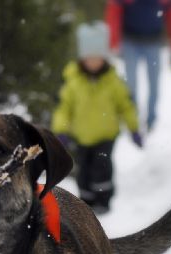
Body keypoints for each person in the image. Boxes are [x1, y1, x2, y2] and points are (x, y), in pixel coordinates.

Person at [52, 22, 142, 215]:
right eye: (89, 58)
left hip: (105, 136)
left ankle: (103, 200)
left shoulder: (113, 81)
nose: (93, 62)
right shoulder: (73, 81)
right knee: (83, 172)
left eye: (97, 58)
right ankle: (86, 201)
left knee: (101, 169)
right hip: (81, 136)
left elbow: (126, 106)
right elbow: (64, 108)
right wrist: (61, 130)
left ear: (104, 58)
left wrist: (134, 129)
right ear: (82, 58)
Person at [105, 0, 171, 130]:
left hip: (153, 43)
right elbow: (114, 12)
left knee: (154, 84)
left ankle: (151, 119)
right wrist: (114, 43)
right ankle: (133, 119)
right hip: (130, 42)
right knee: (131, 84)